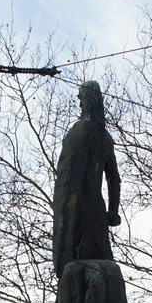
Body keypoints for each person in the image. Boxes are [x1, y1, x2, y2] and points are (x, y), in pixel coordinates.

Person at [52, 80, 121, 277]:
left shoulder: (79, 131)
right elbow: (114, 179)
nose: (79, 103)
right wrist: (113, 211)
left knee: (72, 269)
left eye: (81, 98)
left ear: (87, 101)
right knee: (104, 265)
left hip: (77, 211)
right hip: (97, 212)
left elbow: (67, 182)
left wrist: (64, 220)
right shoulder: (104, 137)